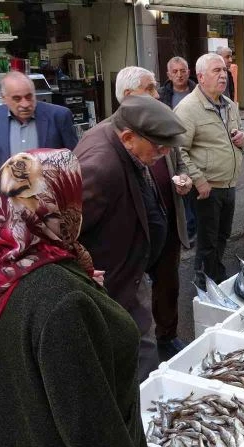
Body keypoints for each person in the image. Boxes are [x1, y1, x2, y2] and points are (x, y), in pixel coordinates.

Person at [0, 149, 146, 447]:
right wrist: (82, 296)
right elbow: (91, 430)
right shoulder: (63, 299)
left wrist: (81, 284)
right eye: (74, 190)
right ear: (57, 202)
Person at [75, 94, 187, 381]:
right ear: (127, 137)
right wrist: (84, 270)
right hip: (112, 283)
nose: (163, 155)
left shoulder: (121, 137)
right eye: (159, 148)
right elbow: (65, 231)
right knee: (139, 354)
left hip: (129, 271)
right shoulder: (100, 167)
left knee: (136, 350)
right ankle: (138, 416)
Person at [117, 66, 194, 359]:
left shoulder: (159, 120)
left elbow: (179, 158)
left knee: (168, 284)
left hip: (168, 221)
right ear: (128, 95)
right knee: (134, 293)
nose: (157, 93)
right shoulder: (117, 133)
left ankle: (168, 336)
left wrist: (185, 179)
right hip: (137, 230)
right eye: (149, 89)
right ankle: (140, 348)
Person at [174, 53, 244, 286]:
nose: (223, 75)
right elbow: (178, 151)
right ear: (201, 77)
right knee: (208, 240)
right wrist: (198, 180)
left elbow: (240, 137)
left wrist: (243, 139)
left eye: (224, 70)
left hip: (229, 183)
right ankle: (206, 280)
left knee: (223, 234)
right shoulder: (187, 108)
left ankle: (213, 272)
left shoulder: (230, 105)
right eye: (217, 70)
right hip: (208, 187)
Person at [0, 71, 77, 180]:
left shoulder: (59, 116)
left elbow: (74, 159)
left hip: (50, 193)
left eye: (29, 97)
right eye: (17, 99)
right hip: (10, 194)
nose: (25, 104)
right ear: (4, 99)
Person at [159, 56, 198, 247]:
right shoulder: (161, 96)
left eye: (183, 70)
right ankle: (184, 231)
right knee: (179, 192)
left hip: (195, 147)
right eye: (175, 71)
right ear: (168, 74)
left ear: (189, 72)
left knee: (194, 191)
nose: (179, 75)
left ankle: (192, 229)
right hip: (172, 149)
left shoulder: (198, 91)